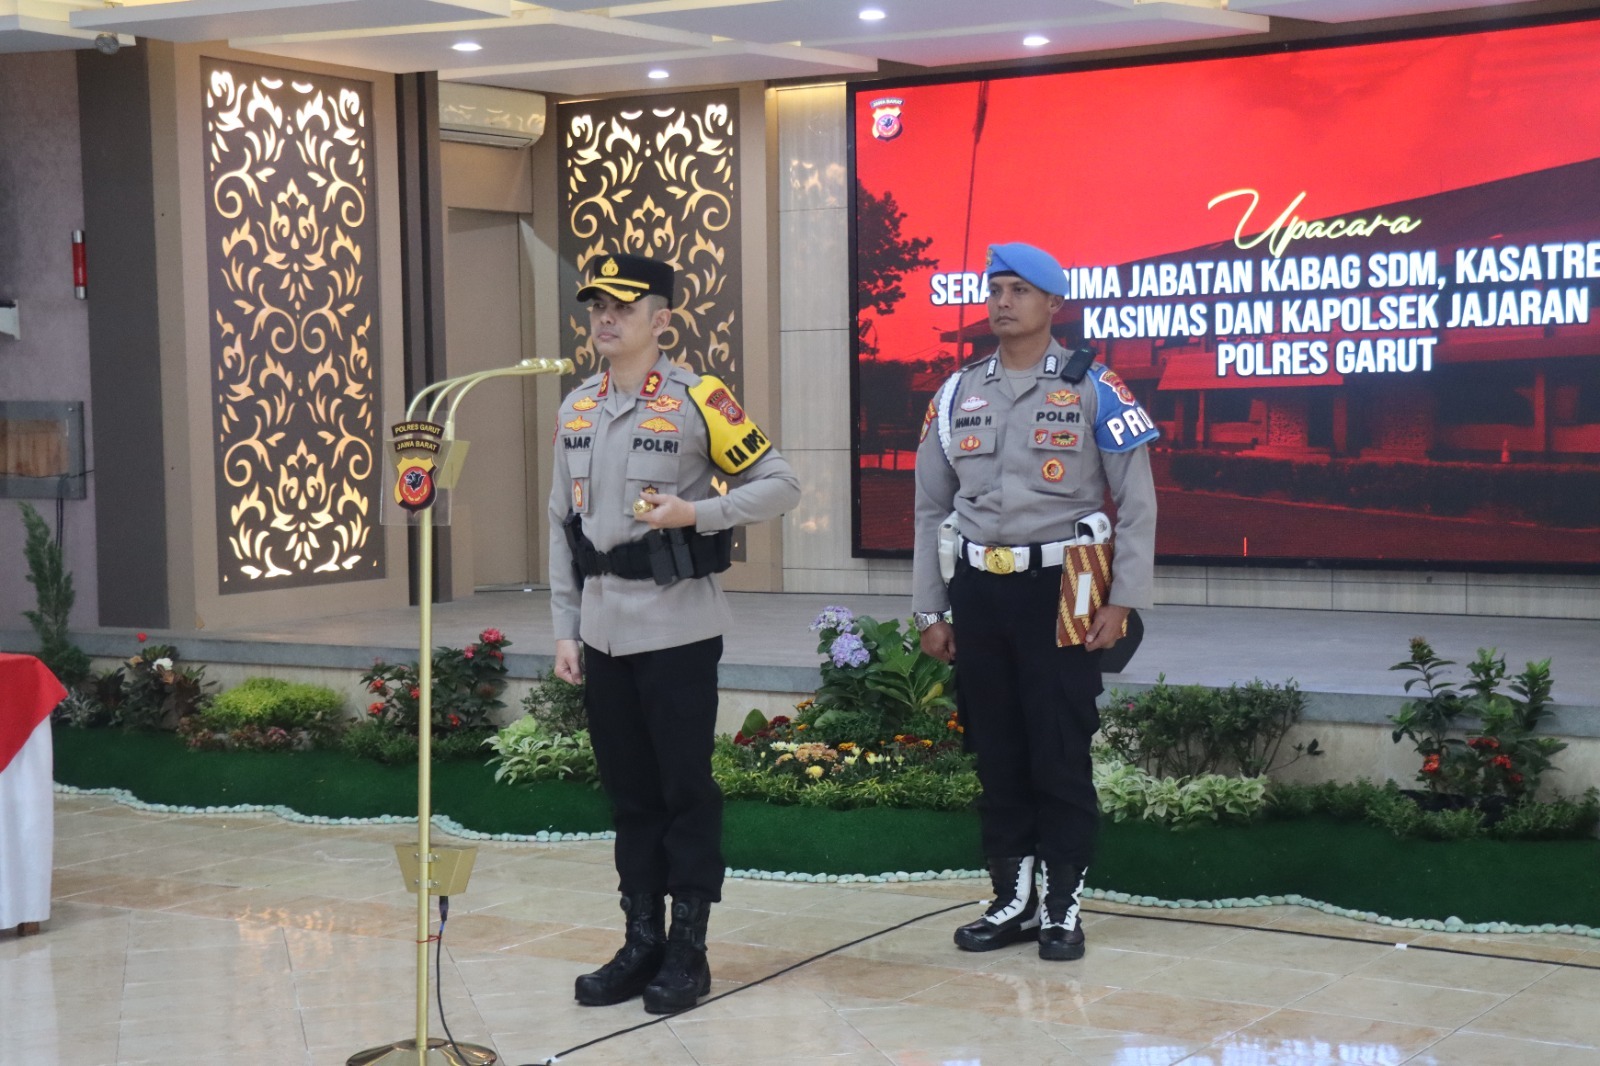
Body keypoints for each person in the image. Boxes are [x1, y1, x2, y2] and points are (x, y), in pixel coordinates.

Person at [548, 252, 801, 1013]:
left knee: (684, 789)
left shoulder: (700, 399)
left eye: (622, 308)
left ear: (661, 321)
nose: (605, 319)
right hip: (603, 626)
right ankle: (641, 942)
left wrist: (700, 513)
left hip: (677, 626)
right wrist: (565, 627)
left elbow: (780, 484)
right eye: (598, 306)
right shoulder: (577, 407)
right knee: (629, 794)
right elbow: (560, 523)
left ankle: (688, 948)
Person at [910, 242, 1158, 961]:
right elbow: (930, 510)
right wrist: (931, 610)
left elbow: (1137, 504)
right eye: (996, 289)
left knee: (1058, 748)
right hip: (979, 590)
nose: (1003, 302)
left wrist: (1123, 600)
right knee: (997, 748)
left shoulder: (1096, 387)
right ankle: (1011, 899)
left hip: (1064, 590)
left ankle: (1061, 904)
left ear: (1054, 304)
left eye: (1020, 290)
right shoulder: (957, 392)